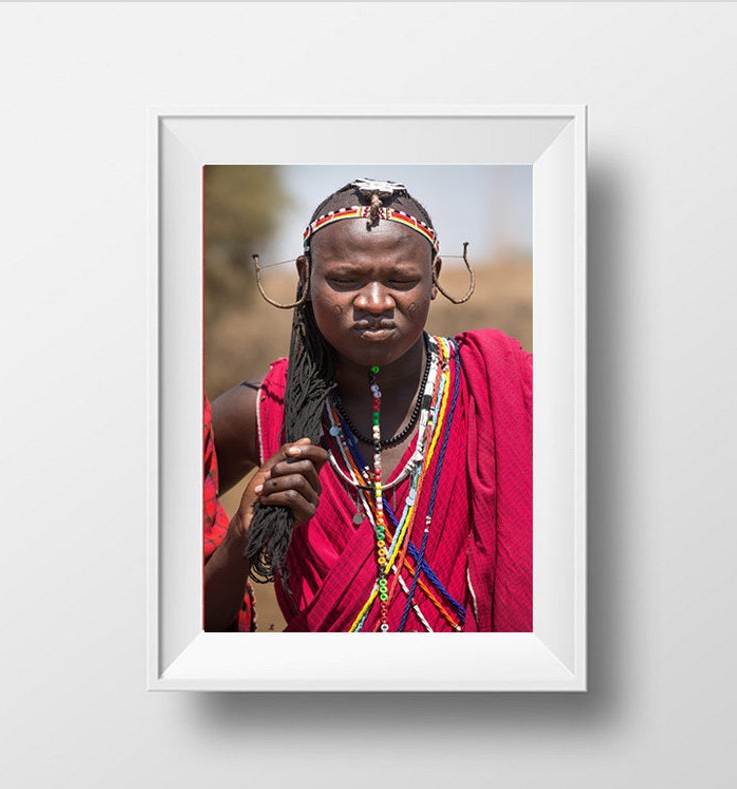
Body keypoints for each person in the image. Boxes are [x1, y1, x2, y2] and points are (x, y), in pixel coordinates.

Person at [203, 178, 532, 632]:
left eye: (400, 280)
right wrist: (243, 534)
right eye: (345, 279)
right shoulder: (261, 410)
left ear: (434, 278)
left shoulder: (500, 392)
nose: (374, 302)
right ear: (305, 275)